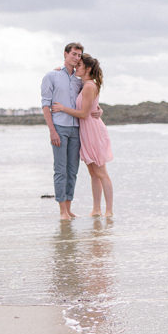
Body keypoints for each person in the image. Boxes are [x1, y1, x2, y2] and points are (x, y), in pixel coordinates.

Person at [51, 53, 114, 217]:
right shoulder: (84, 84)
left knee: (101, 172)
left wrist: (62, 108)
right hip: (86, 131)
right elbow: (69, 82)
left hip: (92, 130)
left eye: (79, 65)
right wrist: (59, 70)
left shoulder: (89, 86)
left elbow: (84, 113)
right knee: (93, 173)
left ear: (88, 68)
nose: (76, 68)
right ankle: (96, 209)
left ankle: (108, 210)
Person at [41, 42, 84, 220]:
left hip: (76, 128)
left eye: (79, 55)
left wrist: (99, 110)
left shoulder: (79, 81)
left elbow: (86, 102)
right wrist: (52, 131)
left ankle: (69, 207)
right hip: (59, 127)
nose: (76, 58)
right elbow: (45, 105)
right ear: (65, 54)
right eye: (73, 54)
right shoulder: (51, 76)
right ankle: (62, 211)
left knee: (72, 170)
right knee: (60, 170)